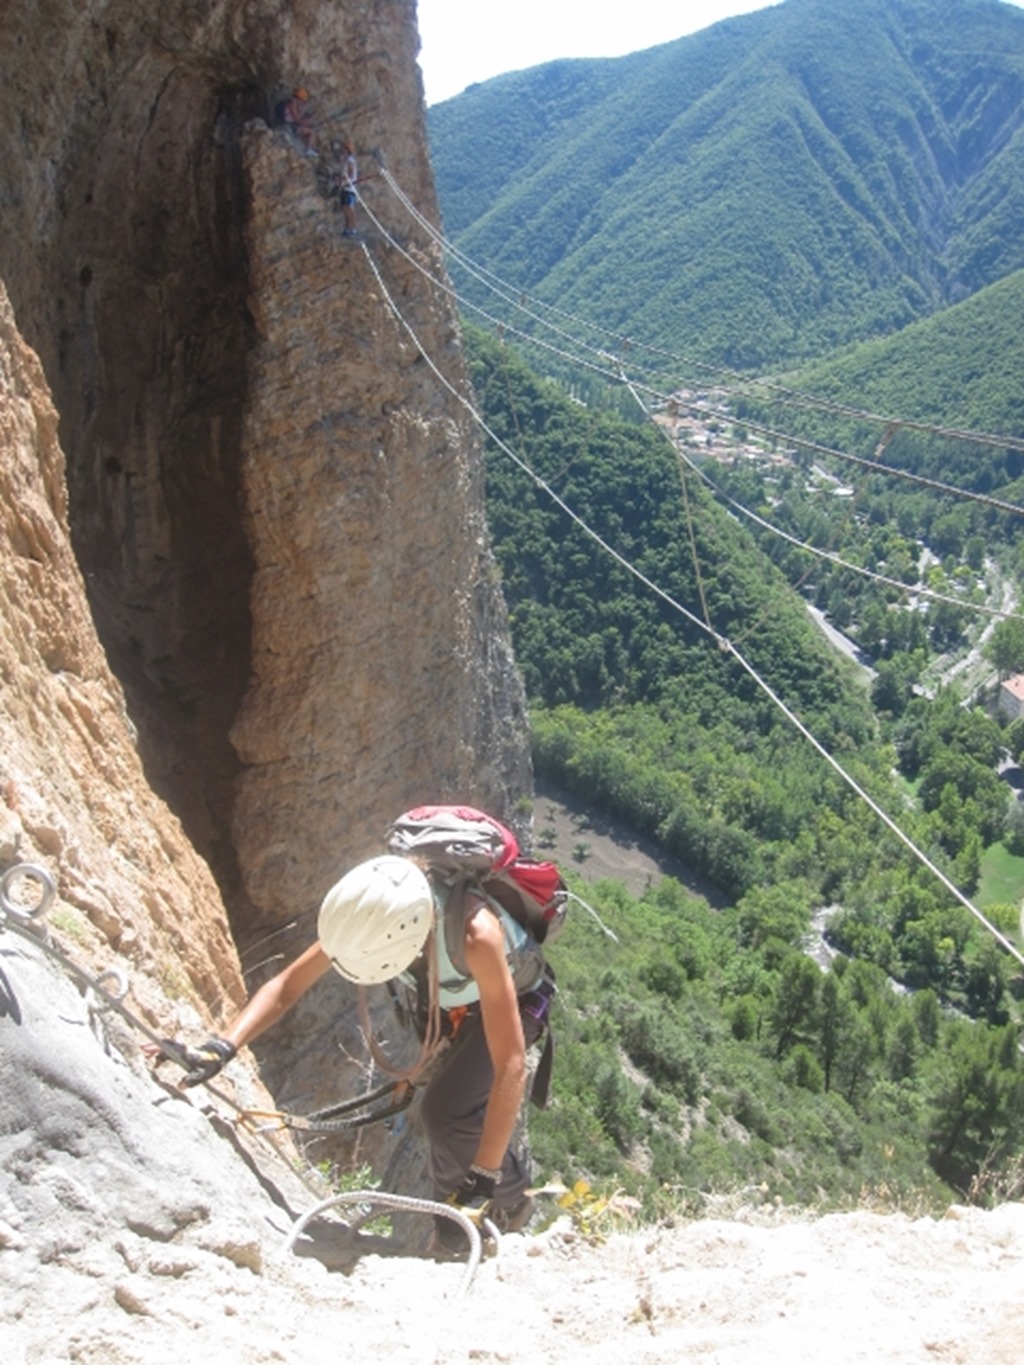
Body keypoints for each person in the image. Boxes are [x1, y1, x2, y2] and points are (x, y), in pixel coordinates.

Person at [171, 852, 552, 1256]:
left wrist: (484, 1179)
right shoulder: (367, 913)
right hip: (455, 998)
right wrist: (221, 1047)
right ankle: (450, 1229)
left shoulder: (478, 935)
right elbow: (288, 985)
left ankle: (513, 1197)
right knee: (441, 1120)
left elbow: (511, 1067)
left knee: (445, 1112)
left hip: (517, 999)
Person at [282, 86, 317, 158]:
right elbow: (297, 118)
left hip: (292, 124)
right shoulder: (293, 103)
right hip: (290, 125)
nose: (302, 102)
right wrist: (303, 110)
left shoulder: (292, 102)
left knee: (309, 122)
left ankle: (309, 148)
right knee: (311, 132)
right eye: (302, 100)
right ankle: (308, 150)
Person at [338, 139, 359, 235]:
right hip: (344, 187)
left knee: (350, 209)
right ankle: (347, 227)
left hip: (350, 188)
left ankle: (353, 228)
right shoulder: (345, 160)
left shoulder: (350, 160)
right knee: (345, 208)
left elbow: (350, 174)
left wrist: (344, 179)